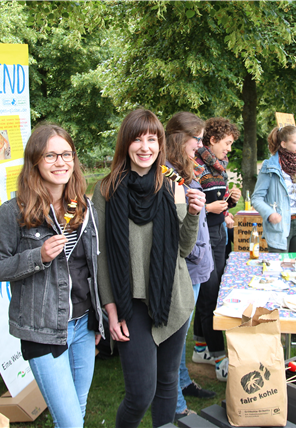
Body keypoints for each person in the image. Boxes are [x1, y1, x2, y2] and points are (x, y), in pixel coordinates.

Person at [0, 124, 104, 428]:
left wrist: (100, 318)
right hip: (43, 330)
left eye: (66, 154)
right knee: (71, 422)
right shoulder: (15, 212)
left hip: (83, 325)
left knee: (78, 407)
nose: (61, 162)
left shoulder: (82, 207)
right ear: (35, 160)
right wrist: (37, 256)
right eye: (51, 155)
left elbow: (91, 266)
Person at [93, 109, 205, 427]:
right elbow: (101, 257)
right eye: (137, 139)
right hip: (131, 305)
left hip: (173, 298)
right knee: (140, 393)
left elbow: (183, 249)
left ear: (160, 144)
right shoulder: (105, 190)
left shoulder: (173, 185)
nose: (145, 147)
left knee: (168, 384)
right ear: (126, 143)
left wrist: (194, 215)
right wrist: (111, 311)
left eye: (152, 139)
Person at [164, 112, 216, 422]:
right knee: (175, 338)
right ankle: (174, 404)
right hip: (186, 265)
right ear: (178, 138)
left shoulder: (186, 169)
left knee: (180, 336)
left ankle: (182, 382)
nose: (200, 145)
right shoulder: (168, 175)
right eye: (196, 139)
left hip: (196, 261)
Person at [192, 117, 241, 382]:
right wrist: (210, 209)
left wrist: (227, 203)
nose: (230, 149)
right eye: (228, 143)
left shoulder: (218, 167)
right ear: (213, 140)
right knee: (210, 296)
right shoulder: (195, 166)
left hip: (218, 234)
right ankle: (220, 358)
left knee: (212, 293)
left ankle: (201, 347)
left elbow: (215, 205)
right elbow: (186, 205)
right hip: (203, 238)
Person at [251, 125, 296, 252]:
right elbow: (257, 198)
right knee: (278, 267)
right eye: (295, 142)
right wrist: (270, 213)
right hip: (279, 226)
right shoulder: (270, 166)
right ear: (283, 144)